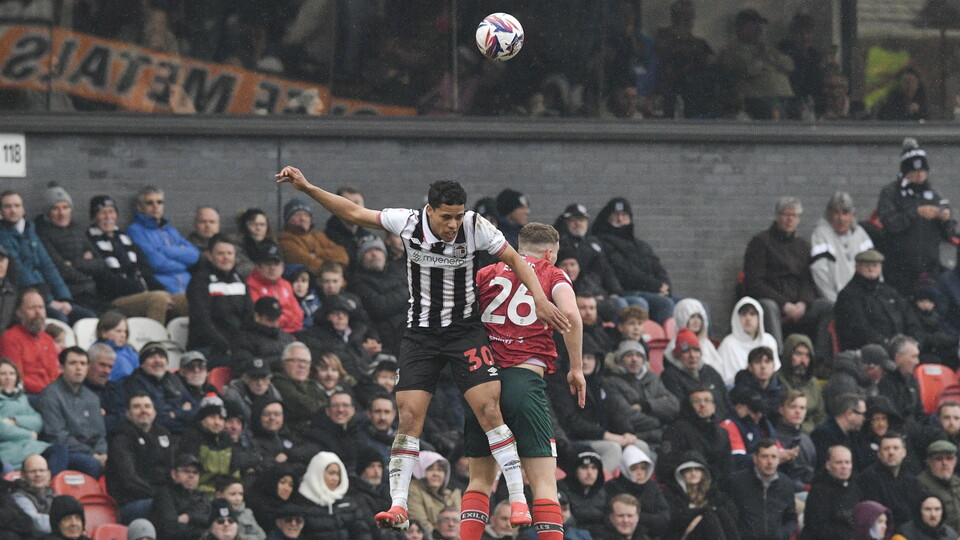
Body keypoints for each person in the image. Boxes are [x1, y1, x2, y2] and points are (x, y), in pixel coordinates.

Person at [276, 166, 569, 530]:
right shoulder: (407, 222)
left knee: (490, 409)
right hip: (422, 335)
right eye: (446, 217)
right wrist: (307, 187)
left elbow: (514, 259)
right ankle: (398, 505)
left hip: (464, 331)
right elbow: (352, 212)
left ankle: (518, 500)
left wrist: (540, 300)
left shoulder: (475, 226)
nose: (452, 224)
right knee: (409, 415)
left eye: (458, 216)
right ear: (430, 210)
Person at [460, 222, 585, 540]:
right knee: (544, 483)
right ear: (549, 252)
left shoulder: (487, 273)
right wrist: (577, 368)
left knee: (479, 481)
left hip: (482, 382)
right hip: (524, 381)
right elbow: (571, 316)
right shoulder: (552, 274)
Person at [742, 196, 831, 350]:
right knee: (768, 307)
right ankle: (778, 357)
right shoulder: (760, 242)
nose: (790, 220)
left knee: (828, 307)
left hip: (799, 304)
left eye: (794, 215)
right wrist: (785, 305)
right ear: (777, 216)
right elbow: (754, 283)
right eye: (786, 215)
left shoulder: (803, 245)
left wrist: (803, 303)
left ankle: (821, 360)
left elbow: (808, 281)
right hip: (773, 302)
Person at [86, 195, 184, 323]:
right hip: (115, 299)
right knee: (157, 299)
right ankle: (155, 341)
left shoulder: (125, 240)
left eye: (111, 212)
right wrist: (141, 289)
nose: (108, 217)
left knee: (187, 300)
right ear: (94, 218)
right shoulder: (89, 242)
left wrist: (163, 291)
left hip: (143, 293)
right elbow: (105, 279)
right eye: (102, 213)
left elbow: (145, 270)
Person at [0, 190, 93, 324]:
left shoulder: (30, 231)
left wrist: (64, 298)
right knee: (60, 319)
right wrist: (49, 301)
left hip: (47, 294)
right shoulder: (2, 236)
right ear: (1, 211)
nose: (13, 210)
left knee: (88, 317)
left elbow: (48, 266)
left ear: (23, 209)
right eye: (8, 206)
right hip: (26, 298)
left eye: (17, 205)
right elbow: (20, 272)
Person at [878, 138, 954, 295]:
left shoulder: (934, 196)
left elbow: (949, 234)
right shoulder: (890, 193)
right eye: (914, 172)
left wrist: (945, 220)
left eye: (922, 171)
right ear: (905, 172)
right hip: (899, 270)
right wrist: (915, 212)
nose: (919, 175)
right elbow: (890, 224)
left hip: (929, 270)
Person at [590, 197, 676, 324]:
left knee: (694, 305)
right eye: (616, 215)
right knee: (663, 303)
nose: (620, 219)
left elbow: (659, 268)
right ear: (608, 218)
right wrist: (655, 286)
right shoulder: (603, 242)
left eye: (624, 215)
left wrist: (665, 286)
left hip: (651, 290)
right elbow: (626, 272)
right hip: (628, 291)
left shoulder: (641, 245)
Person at [36, 347, 107, 478]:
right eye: (73, 363)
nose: (79, 368)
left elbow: (100, 434)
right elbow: (57, 435)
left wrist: (102, 453)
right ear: (62, 368)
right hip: (66, 452)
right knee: (91, 464)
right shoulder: (50, 395)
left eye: (83, 363)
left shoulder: (92, 397)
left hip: (92, 452)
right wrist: (91, 454)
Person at [105, 391, 174, 524]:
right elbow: (130, 480)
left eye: (147, 406)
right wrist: (161, 497)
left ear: (154, 412)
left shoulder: (163, 433)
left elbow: (171, 471)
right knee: (164, 508)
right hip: (131, 503)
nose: (143, 411)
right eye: (137, 407)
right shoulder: (121, 438)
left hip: (161, 498)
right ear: (128, 413)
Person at [834, 249, 923, 351]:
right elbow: (860, 330)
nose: (871, 269)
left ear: (881, 268)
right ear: (857, 267)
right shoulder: (849, 295)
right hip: (870, 351)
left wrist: (915, 342)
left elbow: (911, 319)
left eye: (875, 265)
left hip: (901, 348)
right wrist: (892, 347)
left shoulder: (889, 291)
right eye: (866, 265)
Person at [187, 235, 253, 368]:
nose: (226, 257)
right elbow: (202, 321)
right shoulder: (200, 281)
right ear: (209, 256)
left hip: (238, 346)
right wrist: (227, 346)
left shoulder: (239, 280)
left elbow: (249, 316)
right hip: (210, 348)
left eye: (230, 253)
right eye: (220, 253)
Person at [718, 8, 795, 119]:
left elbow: (789, 65)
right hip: (759, 100)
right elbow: (749, 69)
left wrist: (766, 59)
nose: (759, 28)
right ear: (740, 28)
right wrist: (769, 63)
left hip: (785, 97)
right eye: (753, 24)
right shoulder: (732, 51)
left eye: (760, 24)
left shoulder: (766, 48)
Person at [125, 185, 201, 294]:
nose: (155, 206)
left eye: (159, 202)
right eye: (149, 203)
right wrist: (183, 264)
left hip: (188, 285)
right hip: (164, 289)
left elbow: (194, 255)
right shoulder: (135, 231)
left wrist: (164, 250)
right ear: (139, 207)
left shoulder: (170, 230)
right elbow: (156, 263)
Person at [348, 235, 409, 355]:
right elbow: (380, 306)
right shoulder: (357, 281)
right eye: (368, 251)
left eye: (378, 250)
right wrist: (408, 290)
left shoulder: (397, 270)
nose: (374, 254)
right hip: (388, 338)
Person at [658, 387, 733, 485]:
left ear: (714, 407)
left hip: (718, 488)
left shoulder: (722, 433)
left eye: (707, 400)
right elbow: (666, 467)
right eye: (696, 401)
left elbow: (728, 467)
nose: (702, 404)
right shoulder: (676, 430)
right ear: (689, 406)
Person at [810, 191, 875, 303]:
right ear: (829, 215)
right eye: (836, 213)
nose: (841, 218)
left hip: (864, 299)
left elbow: (874, 267)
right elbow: (818, 271)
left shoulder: (860, 233)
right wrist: (836, 302)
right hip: (836, 300)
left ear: (852, 215)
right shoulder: (821, 234)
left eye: (845, 213)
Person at [120, 342, 198, 435]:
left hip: (182, 431)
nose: (157, 361)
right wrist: (183, 412)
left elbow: (196, 409)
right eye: (152, 357)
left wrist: (175, 414)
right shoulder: (135, 383)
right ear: (142, 364)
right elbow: (155, 418)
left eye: (161, 357)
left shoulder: (173, 379)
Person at [725, 438, 797, 540]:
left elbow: (791, 518)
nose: (769, 462)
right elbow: (728, 515)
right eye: (764, 457)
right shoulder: (737, 482)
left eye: (774, 457)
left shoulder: (786, 484)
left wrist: (783, 535)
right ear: (755, 458)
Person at [291, 451, 374, 539]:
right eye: (331, 473)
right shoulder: (300, 502)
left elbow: (362, 533)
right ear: (317, 473)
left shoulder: (349, 503)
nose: (335, 479)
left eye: (338, 474)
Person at [661, 450, 739, 540]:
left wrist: (702, 515)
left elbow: (732, 513)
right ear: (681, 473)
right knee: (710, 518)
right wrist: (704, 513)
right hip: (683, 535)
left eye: (697, 469)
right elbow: (673, 518)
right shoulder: (672, 493)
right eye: (688, 470)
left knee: (721, 514)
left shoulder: (713, 492)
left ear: (703, 472)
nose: (693, 473)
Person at [661, 329, 733, 422]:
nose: (692, 355)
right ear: (678, 355)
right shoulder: (669, 376)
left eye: (696, 350)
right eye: (686, 351)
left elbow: (726, 401)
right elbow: (680, 409)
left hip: (722, 425)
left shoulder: (710, 371)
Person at [0, 288, 62, 394]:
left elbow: (54, 374)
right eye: (32, 308)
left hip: (51, 395)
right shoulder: (10, 338)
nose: (38, 312)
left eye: (41, 307)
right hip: (28, 395)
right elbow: (16, 378)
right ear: (19, 312)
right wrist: (48, 391)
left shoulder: (48, 339)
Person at [859, 432, 925, 529]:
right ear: (879, 454)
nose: (891, 452)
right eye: (886, 449)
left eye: (895, 448)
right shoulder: (869, 478)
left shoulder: (912, 480)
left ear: (904, 453)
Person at [603, 445, 670, 539]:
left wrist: (635, 518)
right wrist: (633, 519)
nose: (639, 473)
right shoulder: (611, 486)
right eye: (634, 468)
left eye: (643, 468)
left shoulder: (652, 486)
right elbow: (608, 518)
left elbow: (664, 518)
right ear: (625, 468)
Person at [0, 358, 53, 471]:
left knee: (59, 450)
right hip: (8, 448)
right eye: (3, 374)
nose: (8, 377)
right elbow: (2, 429)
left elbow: (38, 421)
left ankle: (49, 486)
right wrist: (29, 434)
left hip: (29, 446)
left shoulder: (22, 398)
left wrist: (15, 420)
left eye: (12, 373)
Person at [716, 297, 780, 387]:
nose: (748, 318)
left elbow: (775, 370)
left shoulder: (768, 340)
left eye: (752, 314)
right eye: (743, 314)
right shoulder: (728, 344)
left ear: (759, 317)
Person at [801, 445, 862, 540]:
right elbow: (818, 529)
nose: (844, 467)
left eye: (847, 462)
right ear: (828, 465)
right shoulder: (818, 491)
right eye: (839, 462)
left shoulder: (856, 489)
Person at [277, 198, 349, 274]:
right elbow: (308, 264)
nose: (303, 218)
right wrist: (334, 266)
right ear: (288, 219)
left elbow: (343, 256)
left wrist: (318, 253)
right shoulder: (284, 239)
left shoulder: (319, 236)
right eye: (297, 215)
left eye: (306, 215)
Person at [150, 453, 212, 540]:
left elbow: (211, 520)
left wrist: (188, 517)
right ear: (174, 474)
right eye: (186, 471)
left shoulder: (201, 496)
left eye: (195, 472)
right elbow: (169, 530)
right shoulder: (165, 495)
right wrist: (200, 530)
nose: (191, 475)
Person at [246, 244, 304, 334]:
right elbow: (266, 319)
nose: (272, 268)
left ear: (282, 267)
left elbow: (298, 315)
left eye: (276, 264)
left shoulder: (286, 284)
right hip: (266, 334)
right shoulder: (251, 285)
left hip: (293, 333)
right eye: (268, 264)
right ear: (258, 266)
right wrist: (288, 319)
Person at [270, 342, 326, 437]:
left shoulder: (311, 384)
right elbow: (306, 407)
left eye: (306, 362)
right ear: (284, 363)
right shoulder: (278, 382)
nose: (302, 366)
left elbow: (327, 406)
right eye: (296, 361)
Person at [777, 334, 825, 433]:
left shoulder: (813, 383)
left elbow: (820, 416)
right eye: (798, 354)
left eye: (807, 355)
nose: (803, 361)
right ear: (788, 355)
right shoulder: (776, 380)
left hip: (812, 435)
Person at [407, 451, 461, 538]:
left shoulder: (453, 494)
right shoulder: (414, 490)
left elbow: (460, 524)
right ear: (422, 471)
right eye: (430, 469)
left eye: (440, 470)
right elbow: (422, 522)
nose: (436, 474)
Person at [324, 186, 377, 270]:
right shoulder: (327, 238)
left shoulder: (369, 237)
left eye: (357, 203)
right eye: (348, 203)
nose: (353, 207)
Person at [811, 393, 868, 471]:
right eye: (863, 414)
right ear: (849, 414)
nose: (864, 418)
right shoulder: (823, 434)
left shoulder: (853, 434)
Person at [774, 390, 816, 491]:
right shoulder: (774, 438)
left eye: (802, 408)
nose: (798, 412)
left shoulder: (807, 439)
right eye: (793, 407)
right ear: (781, 410)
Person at [667, 299, 721, 376]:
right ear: (682, 318)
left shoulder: (706, 343)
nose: (696, 321)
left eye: (699, 317)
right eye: (692, 317)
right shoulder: (675, 344)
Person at [730, 345, 785, 421]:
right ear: (750, 367)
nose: (763, 366)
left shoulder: (781, 389)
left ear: (774, 366)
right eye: (757, 362)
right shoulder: (740, 386)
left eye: (767, 362)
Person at [879, 335, 925, 426]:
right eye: (913, 357)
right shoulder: (884, 381)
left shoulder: (912, 380)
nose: (917, 361)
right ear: (898, 358)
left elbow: (919, 413)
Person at [223, 357, 283, 424]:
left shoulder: (274, 394)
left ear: (269, 380)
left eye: (264, 378)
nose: (260, 383)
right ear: (245, 379)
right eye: (255, 378)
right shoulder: (233, 397)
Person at [917, 440, 960, 532]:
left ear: (955, 461)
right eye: (939, 459)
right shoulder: (920, 485)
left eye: (949, 458)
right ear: (929, 461)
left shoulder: (958, 483)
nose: (944, 463)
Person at [11, 454, 55, 536]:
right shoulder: (18, 497)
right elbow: (37, 524)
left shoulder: (53, 494)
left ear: (49, 474)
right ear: (23, 476)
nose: (38, 474)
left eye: (42, 470)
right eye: (32, 471)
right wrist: (63, 522)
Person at [93, 311, 140, 382]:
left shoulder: (129, 350)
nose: (123, 335)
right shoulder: (97, 352)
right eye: (118, 331)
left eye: (125, 331)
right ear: (104, 333)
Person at [891, 495, 957, 540]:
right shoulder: (903, 535)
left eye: (937, 509)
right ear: (919, 511)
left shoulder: (951, 534)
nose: (933, 514)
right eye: (928, 509)